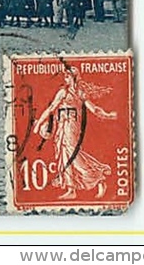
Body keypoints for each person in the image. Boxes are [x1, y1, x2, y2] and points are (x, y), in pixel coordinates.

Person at [34, 65, 117, 200]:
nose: (66, 78)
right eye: (66, 76)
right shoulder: (62, 92)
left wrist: (107, 115)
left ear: (74, 78)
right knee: (64, 155)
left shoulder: (80, 93)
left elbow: (94, 108)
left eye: (68, 76)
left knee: (74, 155)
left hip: (72, 126)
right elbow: (51, 108)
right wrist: (39, 124)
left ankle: (97, 177)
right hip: (61, 126)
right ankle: (71, 188)